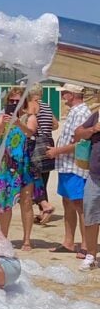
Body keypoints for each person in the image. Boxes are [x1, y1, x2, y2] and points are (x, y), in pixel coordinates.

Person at [0, 87, 40, 250]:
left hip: (23, 163)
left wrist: (18, 123)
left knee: (26, 201)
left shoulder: (29, 117)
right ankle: (3, 237)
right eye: (12, 101)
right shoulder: (2, 116)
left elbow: (30, 132)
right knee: (4, 201)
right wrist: (4, 123)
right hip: (3, 162)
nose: (14, 103)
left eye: (18, 101)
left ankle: (27, 240)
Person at [46, 84, 91, 258]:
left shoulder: (81, 113)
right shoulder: (75, 111)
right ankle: (69, 242)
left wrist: (57, 151)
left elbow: (81, 143)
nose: (62, 95)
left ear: (72, 95)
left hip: (76, 167)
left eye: (65, 93)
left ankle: (86, 245)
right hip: (66, 165)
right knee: (68, 203)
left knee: (80, 205)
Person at [72, 105, 100, 271]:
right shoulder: (97, 115)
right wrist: (93, 129)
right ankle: (91, 255)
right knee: (90, 214)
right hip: (95, 176)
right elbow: (77, 134)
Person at [26, 84, 58, 224]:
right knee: (43, 177)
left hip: (36, 145)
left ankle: (45, 208)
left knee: (34, 177)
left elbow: (30, 124)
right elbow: (55, 124)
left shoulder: (32, 105)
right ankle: (43, 209)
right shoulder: (47, 106)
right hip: (48, 143)